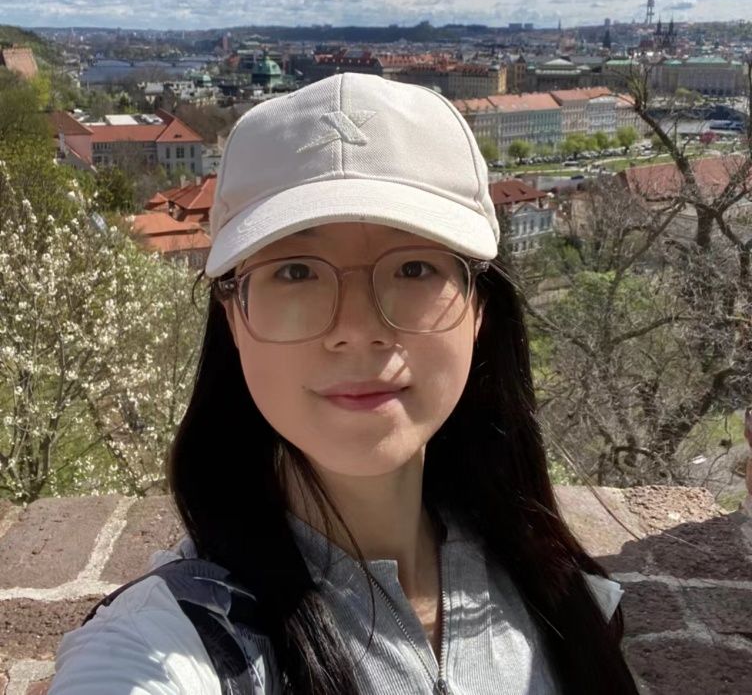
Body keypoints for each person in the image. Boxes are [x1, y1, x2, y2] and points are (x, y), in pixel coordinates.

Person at [51, 73, 638, 694]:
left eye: (415, 267)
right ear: (233, 315)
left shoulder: (559, 594)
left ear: (478, 310)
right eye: (296, 272)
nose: (357, 331)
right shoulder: (168, 643)